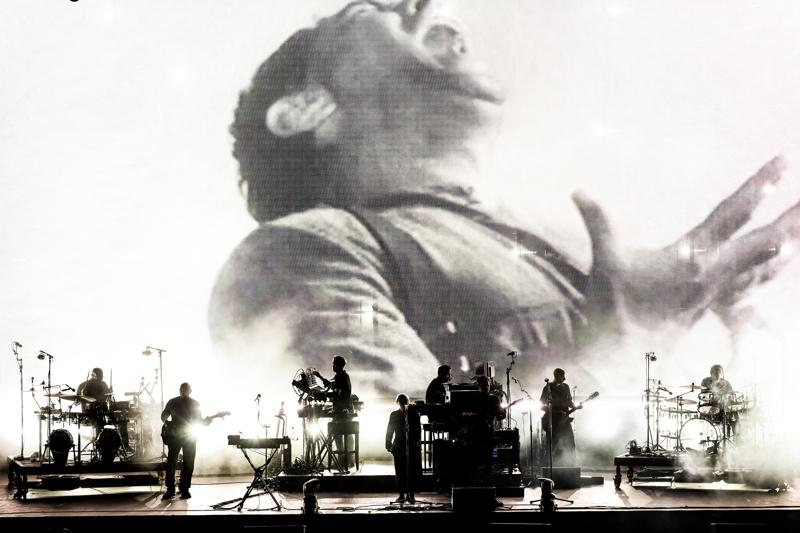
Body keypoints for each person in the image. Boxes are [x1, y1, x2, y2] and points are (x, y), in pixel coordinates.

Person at [209, 1, 799, 400]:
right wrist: (629, 339)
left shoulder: (559, 248)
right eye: (370, 10)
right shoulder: (296, 253)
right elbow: (390, 479)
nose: (418, 2)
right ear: (305, 108)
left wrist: (732, 332)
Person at [160, 383, 204, 500]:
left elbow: (200, 421)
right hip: (178, 436)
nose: (184, 391)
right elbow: (163, 416)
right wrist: (167, 424)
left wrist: (211, 419)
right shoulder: (173, 402)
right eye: (182, 390)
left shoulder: (194, 403)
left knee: (187, 463)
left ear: (190, 391)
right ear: (180, 390)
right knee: (173, 463)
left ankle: (183, 489)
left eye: (186, 390)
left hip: (188, 436)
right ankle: (172, 489)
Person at [540, 368, 581, 467]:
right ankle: (550, 466)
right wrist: (556, 412)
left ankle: (571, 466)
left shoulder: (566, 387)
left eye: (564, 376)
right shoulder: (548, 387)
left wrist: (576, 406)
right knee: (553, 444)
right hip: (553, 421)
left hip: (565, 420)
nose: (564, 378)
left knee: (570, 442)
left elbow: (569, 402)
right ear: (556, 376)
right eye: (562, 376)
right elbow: (541, 406)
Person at [385, 393, 422, 504]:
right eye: (400, 401)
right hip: (398, 445)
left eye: (404, 401)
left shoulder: (414, 414)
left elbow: (418, 429)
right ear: (397, 403)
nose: (402, 403)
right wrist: (388, 443)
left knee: (412, 470)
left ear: (408, 402)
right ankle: (401, 494)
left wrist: (417, 442)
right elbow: (389, 430)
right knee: (399, 470)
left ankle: (411, 493)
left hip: (411, 444)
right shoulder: (394, 414)